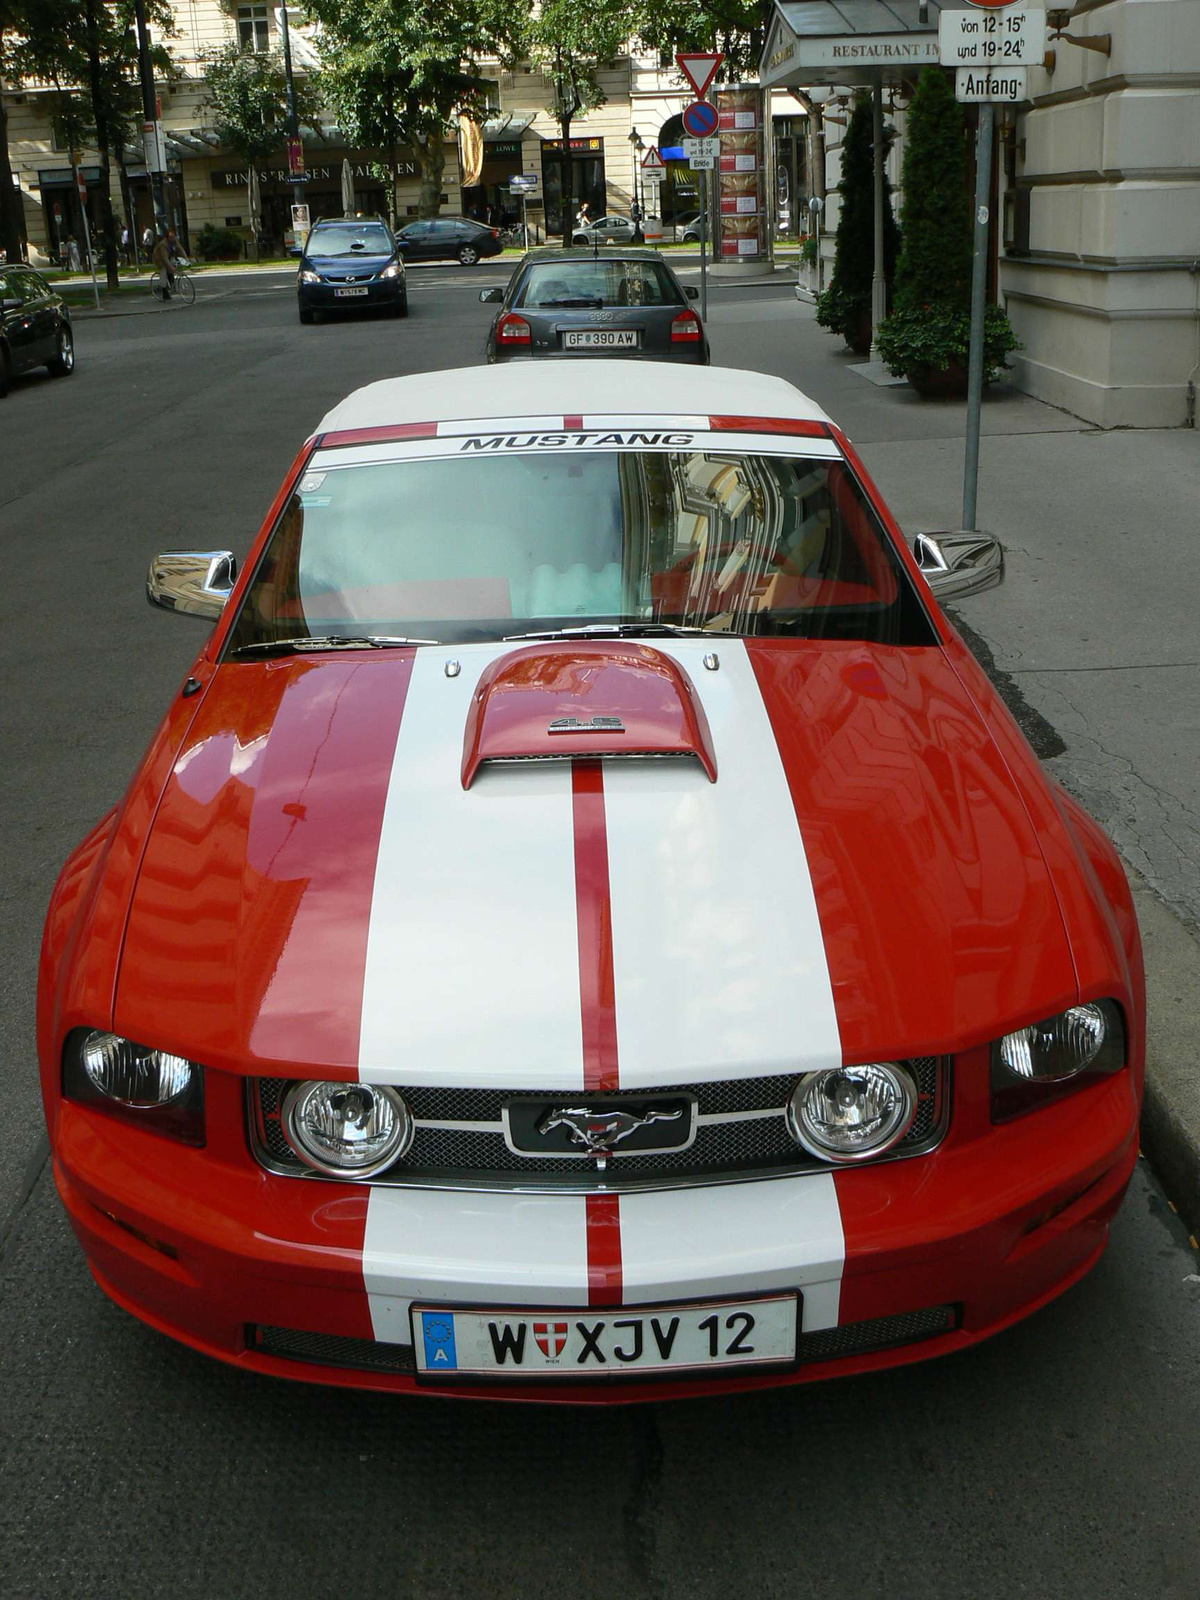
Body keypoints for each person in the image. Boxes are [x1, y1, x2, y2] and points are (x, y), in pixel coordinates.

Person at [151, 228, 178, 299]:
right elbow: (164, 258)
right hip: (159, 259)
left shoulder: (174, 241)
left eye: (173, 237)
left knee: (173, 262)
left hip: (169, 256)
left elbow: (180, 249)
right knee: (163, 272)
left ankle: (171, 278)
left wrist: (186, 259)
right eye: (171, 237)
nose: (173, 238)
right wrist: (171, 267)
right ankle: (164, 291)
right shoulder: (163, 244)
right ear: (167, 238)